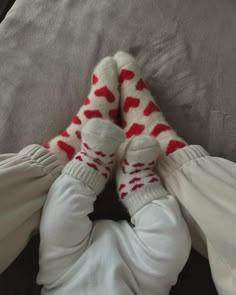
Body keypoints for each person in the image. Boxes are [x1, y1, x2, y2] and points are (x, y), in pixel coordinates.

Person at [0, 52, 235, 294]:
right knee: (172, 245)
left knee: (58, 218)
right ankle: (139, 181)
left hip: (65, 271)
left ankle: (84, 162)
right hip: (144, 279)